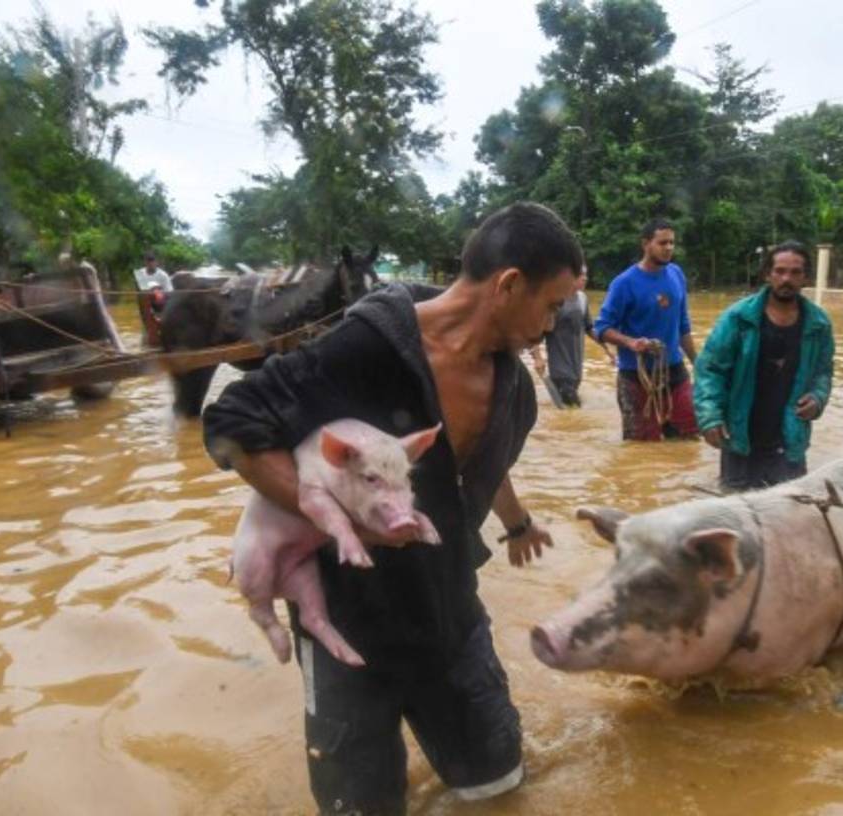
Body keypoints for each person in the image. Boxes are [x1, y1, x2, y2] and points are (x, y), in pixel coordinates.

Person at [201, 202, 582, 815]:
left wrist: (517, 523)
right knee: (360, 807)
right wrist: (336, 517)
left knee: (499, 788)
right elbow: (231, 424)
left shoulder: (515, 393)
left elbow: (475, 465)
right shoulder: (362, 350)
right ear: (510, 285)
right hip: (348, 623)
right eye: (553, 305)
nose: (554, 323)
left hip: (449, 615)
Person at [693, 240, 835, 492]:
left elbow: (823, 371)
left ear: (806, 278)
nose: (786, 279)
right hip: (740, 434)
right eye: (780, 271)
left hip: (790, 438)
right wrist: (710, 416)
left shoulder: (818, 324)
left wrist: (817, 397)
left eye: (795, 272)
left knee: (792, 507)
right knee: (735, 508)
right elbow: (711, 370)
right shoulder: (738, 318)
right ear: (767, 274)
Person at [593, 218, 699, 440]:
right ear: (645, 244)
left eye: (671, 243)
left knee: (689, 438)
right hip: (635, 375)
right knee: (642, 447)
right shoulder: (624, 283)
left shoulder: (676, 274)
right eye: (662, 243)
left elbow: (683, 326)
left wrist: (698, 364)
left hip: (675, 370)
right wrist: (631, 342)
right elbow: (601, 328)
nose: (668, 248)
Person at [529, 266, 614, 406]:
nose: (585, 278)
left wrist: (607, 348)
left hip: (576, 371)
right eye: (580, 275)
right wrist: (538, 358)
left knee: (568, 410)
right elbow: (536, 330)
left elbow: (589, 328)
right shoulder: (555, 300)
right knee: (574, 409)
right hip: (559, 371)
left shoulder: (582, 298)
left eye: (586, 275)